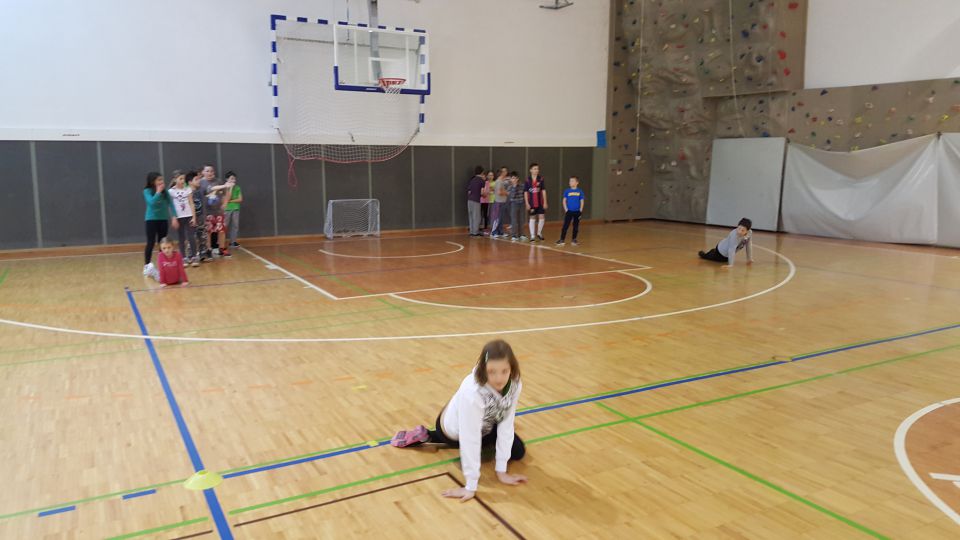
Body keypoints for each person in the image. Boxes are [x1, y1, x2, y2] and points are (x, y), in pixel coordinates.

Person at [390, 339, 528, 501]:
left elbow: (506, 422)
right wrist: (471, 486)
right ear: (484, 369)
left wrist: (502, 471)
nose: (499, 379)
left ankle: (484, 447)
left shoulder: (515, 383)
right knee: (469, 442)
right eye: (492, 372)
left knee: (518, 451)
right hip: (452, 428)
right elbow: (470, 437)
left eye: (504, 371)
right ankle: (426, 435)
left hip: (487, 422)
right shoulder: (472, 391)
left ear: (512, 368)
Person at [142, 172, 178, 279]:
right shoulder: (147, 191)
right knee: (151, 242)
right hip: (151, 220)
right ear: (153, 181)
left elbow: (171, 204)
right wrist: (158, 192)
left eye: (162, 180)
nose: (161, 182)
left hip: (163, 219)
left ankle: (163, 263)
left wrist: (174, 217)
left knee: (163, 243)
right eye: (159, 180)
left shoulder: (165, 192)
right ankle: (147, 266)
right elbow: (151, 203)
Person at [200, 165, 233, 258]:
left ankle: (221, 249)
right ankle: (208, 249)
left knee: (221, 230)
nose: (210, 173)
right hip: (207, 212)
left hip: (218, 211)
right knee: (208, 231)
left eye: (211, 171)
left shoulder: (218, 181)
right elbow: (207, 192)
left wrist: (225, 203)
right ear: (203, 172)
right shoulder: (201, 183)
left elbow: (225, 193)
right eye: (207, 171)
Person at [168, 172, 198, 262]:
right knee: (181, 238)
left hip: (188, 216)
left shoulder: (187, 189)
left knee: (191, 237)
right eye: (180, 179)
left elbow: (191, 203)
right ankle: (183, 257)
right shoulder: (171, 191)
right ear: (175, 179)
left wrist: (194, 217)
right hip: (179, 217)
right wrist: (173, 218)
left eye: (183, 179)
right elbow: (170, 206)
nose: (182, 181)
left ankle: (194, 256)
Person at [556, 176, 586, 246]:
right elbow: (564, 201)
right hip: (569, 211)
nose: (570, 182)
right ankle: (562, 240)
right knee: (565, 226)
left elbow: (582, 201)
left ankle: (574, 240)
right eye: (570, 181)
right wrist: (566, 210)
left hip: (577, 212)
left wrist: (580, 210)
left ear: (577, 183)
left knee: (575, 226)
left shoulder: (580, 191)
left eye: (572, 181)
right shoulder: (567, 191)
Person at [524, 163, 548, 242]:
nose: (536, 170)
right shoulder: (527, 180)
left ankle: (539, 233)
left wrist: (545, 202)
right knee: (532, 217)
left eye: (537, 169)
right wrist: (527, 203)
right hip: (531, 203)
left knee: (542, 217)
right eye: (534, 169)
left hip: (540, 202)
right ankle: (532, 235)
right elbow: (525, 192)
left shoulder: (541, 179)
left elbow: (543, 190)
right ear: (530, 170)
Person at [188, 171, 208, 264]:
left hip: (200, 217)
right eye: (196, 179)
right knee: (192, 237)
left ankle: (202, 254)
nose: (198, 181)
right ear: (190, 182)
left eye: (199, 179)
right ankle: (191, 255)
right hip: (191, 218)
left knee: (202, 236)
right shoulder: (187, 192)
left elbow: (211, 189)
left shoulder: (200, 190)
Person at [223, 171, 243, 248]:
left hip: (236, 208)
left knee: (235, 225)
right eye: (231, 179)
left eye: (234, 179)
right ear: (227, 179)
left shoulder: (237, 187)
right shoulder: (225, 187)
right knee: (225, 225)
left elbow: (240, 199)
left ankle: (233, 241)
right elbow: (228, 197)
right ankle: (221, 242)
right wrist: (230, 188)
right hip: (227, 209)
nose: (233, 180)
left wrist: (231, 201)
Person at [489, 167, 509, 238]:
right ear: (501, 173)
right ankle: (493, 232)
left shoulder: (502, 181)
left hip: (503, 202)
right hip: (498, 202)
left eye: (506, 171)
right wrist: (507, 193)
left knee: (501, 218)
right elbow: (499, 192)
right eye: (504, 171)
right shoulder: (499, 181)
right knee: (497, 218)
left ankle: (500, 232)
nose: (505, 173)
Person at [507, 172, 526, 242]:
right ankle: (514, 235)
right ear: (511, 179)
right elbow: (512, 196)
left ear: (518, 179)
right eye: (512, 178)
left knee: (521, 219)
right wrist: (514, 187)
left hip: (521, 203)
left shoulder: (522, 186)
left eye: (515, 178)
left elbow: (525, 194)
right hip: (513, 204)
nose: (514, 179)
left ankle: (521, 234)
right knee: (514, 220)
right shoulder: (510, 187)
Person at [466, 166, 485, 236]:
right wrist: (484, 195)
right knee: (476, 216)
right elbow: (482, 192)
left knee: (471, 216)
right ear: (482, 172)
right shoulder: (481, 181)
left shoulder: (472, 179)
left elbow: (469, 191)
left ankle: (471, 231)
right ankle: (475, 232)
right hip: (476, 200)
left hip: (469, 200)